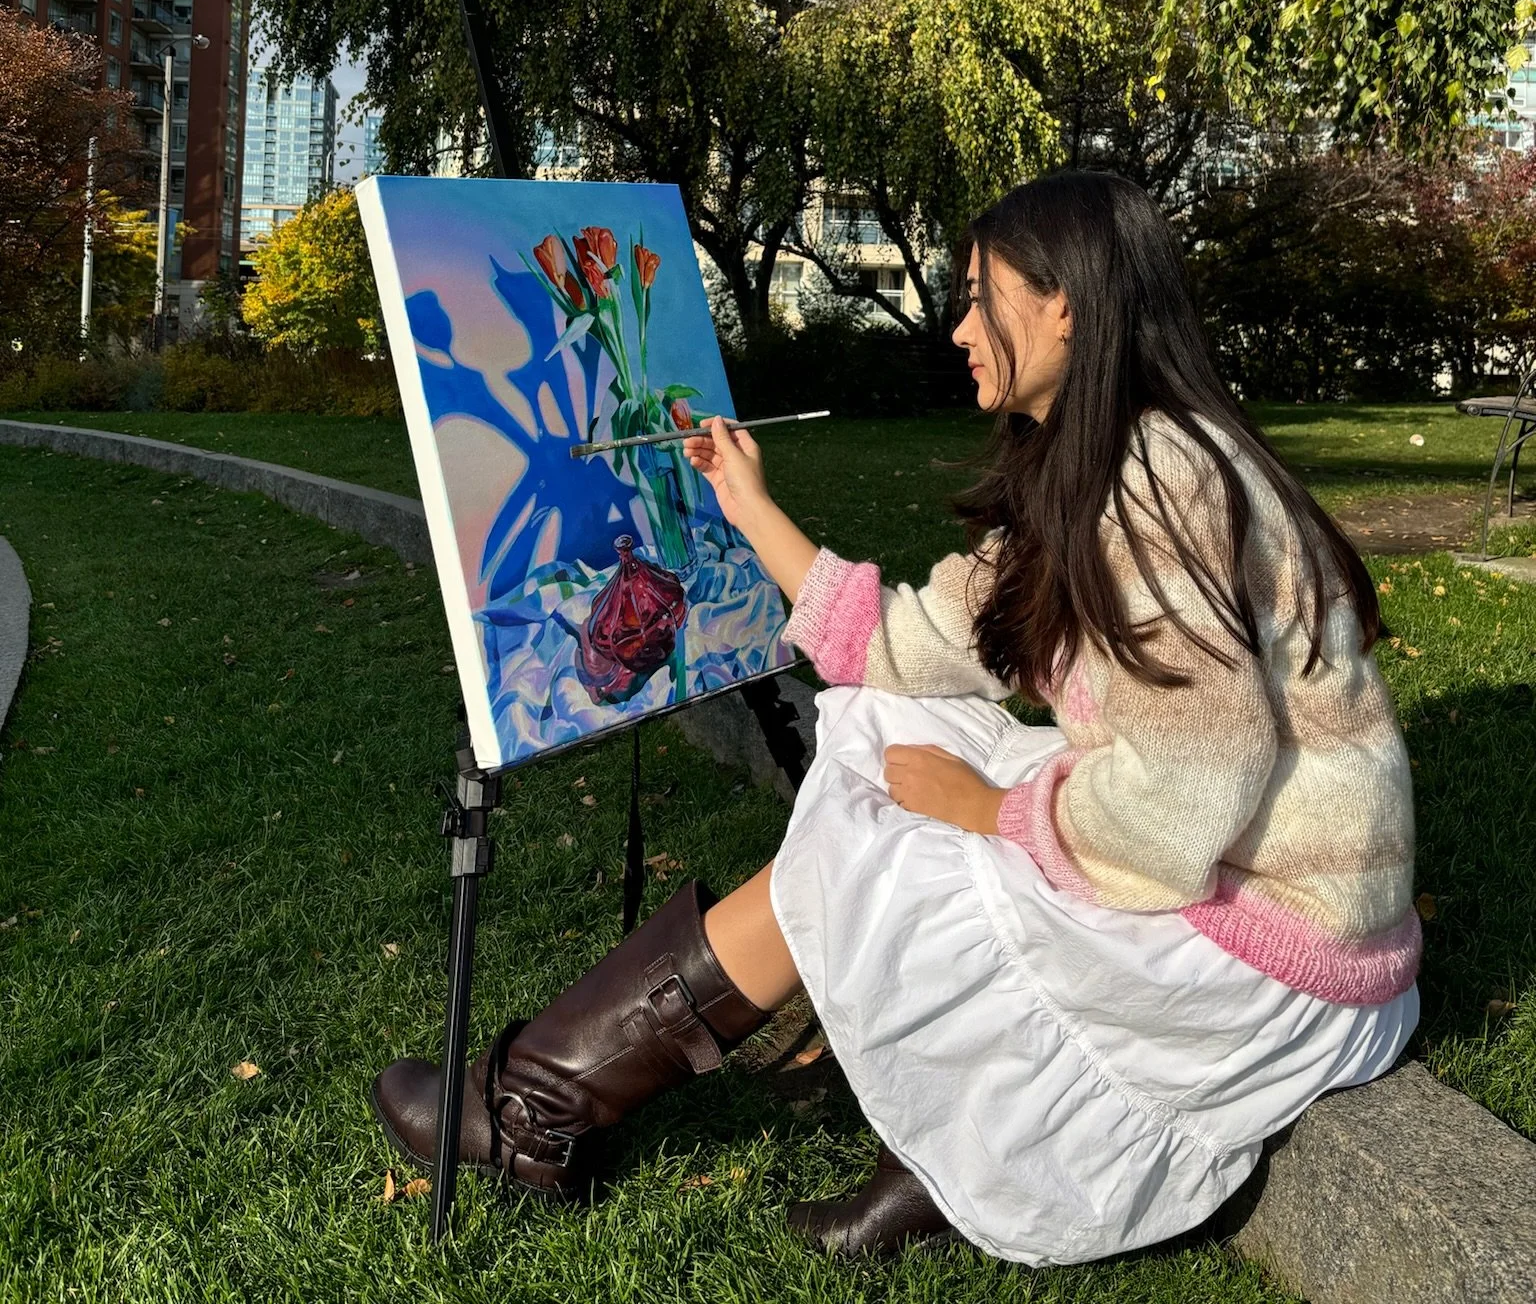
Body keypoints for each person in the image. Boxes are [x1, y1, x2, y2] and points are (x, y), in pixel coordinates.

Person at [372, 171, 1419, 1265]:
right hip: (1222, 875)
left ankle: (538, 1106)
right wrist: (751, 506)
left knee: (896, 836)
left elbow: (1195, 789)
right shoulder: (1100, 458)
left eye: (980, 297)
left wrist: (997, 809)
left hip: (1275, 951)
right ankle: (558, 1097)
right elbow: (911, 647)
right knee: (877, 727)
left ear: (1066, 303)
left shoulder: (1157, 481)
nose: (958, 326)